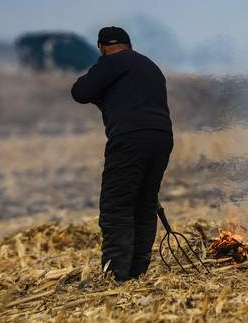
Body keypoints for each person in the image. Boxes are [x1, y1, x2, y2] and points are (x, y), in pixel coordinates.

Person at [71, 26, 173, 281]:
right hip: (162, 139)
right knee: (145, 204)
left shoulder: (111, 62)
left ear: (103, 47)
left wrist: (101, 64)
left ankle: (116, 274)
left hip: (130, 139)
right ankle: (138, 271)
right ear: (129, 44)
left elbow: (80, 91)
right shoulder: (150, 66)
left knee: (117, 206)